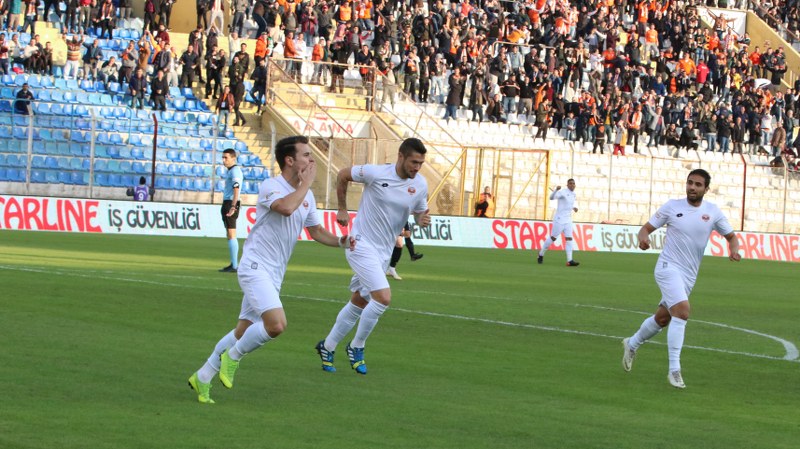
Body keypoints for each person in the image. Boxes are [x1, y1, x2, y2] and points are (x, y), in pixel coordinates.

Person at [188, 136, 353, 404]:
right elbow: (286, 208)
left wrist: (342, 242)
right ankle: (233, 357)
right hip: (255, 267)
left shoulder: (307, 195)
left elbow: (316, 231)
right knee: (276, 325)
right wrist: (307, 183)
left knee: (242, 331)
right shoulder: (271, 186)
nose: (312, 161)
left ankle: (203, 377)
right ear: (290, 160)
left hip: (274, 273)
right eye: (306, 155)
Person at [315, 138, 431, 375]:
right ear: (401, 156)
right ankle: (356, 346)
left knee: (360, 300)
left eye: (420, 163)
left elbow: (419, 212)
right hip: (361, 243)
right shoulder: (376, 173)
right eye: (413, 162)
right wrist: (342, 208)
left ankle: (327, 347)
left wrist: (422, 220)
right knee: (383, 297)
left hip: (384, 251)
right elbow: (343, 174)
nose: (417, 167)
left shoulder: (420, 184)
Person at [621, 169, 741, 389]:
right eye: (689, 183)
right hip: (667, 268)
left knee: (663, 318)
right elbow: (645, 229)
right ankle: (674, 370)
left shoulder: (712, 212)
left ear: (706, 189)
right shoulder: (672, 206)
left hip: (688, 275)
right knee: (683, 311)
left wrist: (734, 250)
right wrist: (643, 239)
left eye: (697, 184)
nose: (692, 187)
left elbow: (731, 237)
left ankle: (632, 343)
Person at [537, 179, 579, 266]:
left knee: (569, 239)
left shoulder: (574, 194)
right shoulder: (562, 192)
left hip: (568, 220)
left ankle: (569, 260)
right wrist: (556, 190)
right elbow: (551, 198)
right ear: (567, 185)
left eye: (573, 184)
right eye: (570, 184)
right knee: (553, 238)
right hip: (559, 219)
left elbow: (570, 204)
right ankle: (541, 254)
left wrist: (574, 207)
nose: (572, 185)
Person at [219, 148, 243, 273]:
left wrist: (233, 206)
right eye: (223, 157)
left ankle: (235, 266)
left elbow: (236, 189)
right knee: (229, 234)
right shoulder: (231, 171)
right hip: (228, 203)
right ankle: (233, 264)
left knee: (232, 233)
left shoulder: (235, 171)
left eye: (226, 158)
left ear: (233, 158)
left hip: (231, 203)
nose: (224, 160)